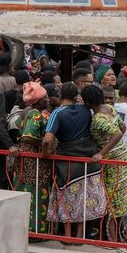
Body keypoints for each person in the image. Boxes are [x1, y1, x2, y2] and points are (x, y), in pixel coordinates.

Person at [42, 82, 106, 238]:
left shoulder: (57, 113)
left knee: (67, 199)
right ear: (76, 96)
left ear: (61, 94)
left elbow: (47, 140)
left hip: (67, 164)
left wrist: (46, 154)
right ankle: (80, 235)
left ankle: (68, 235)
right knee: (84, 200)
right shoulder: (86, 111)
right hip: (89, 162)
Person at [81, 85, 127, 241]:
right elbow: (122, 127)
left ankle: (111, 238)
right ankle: (119, 235)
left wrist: (101, 152)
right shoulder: (110, 108)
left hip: (112, 160)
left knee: (111, 198)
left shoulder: (98, 118)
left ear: (87, 102)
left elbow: (117, 133)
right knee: (120, 195)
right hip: (122, 155)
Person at [14, 82, 52, 234]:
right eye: (45, 97)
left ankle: (23, 229)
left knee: (23, 193)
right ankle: (36, 231)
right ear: (38, 100)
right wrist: (44, 143)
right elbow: (27, 137)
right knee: (36, 194)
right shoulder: (36, 114)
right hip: (33, 161)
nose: (48, 99)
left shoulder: (25, 111)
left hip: (24, 159)